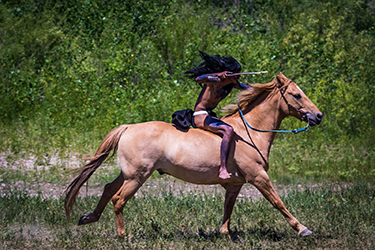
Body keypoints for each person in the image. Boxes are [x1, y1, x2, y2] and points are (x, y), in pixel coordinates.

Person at [185, 51, 250, 179]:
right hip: (200, 115)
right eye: (235, 74)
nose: (238, 77)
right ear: (229, 73)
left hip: (208, 115)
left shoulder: (231, 84)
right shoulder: (214, 81)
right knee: (228, 130)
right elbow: (199, 78)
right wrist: (217, 75)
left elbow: (247, 88)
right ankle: (223, 169)